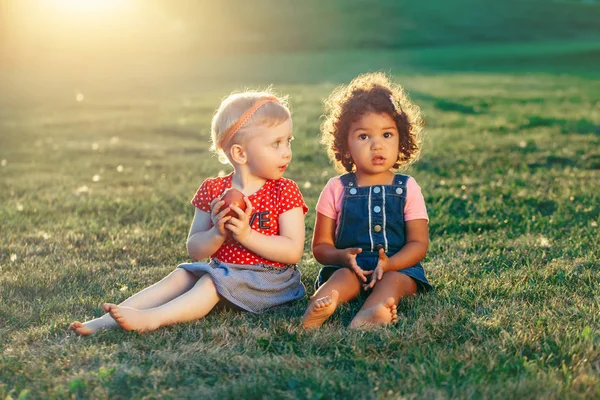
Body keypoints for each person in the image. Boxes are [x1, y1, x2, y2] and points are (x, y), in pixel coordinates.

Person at [70, 90, 308, 335]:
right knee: (181, 275)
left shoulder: (284, 190)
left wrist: (247, 236)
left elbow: (293, 252)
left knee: (209, 282)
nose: (287, 151)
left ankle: (152, 319)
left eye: (289, 140)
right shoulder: (213, 190)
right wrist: (216, 233)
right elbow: (195, 249)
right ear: (240, 153)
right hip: (224, 270)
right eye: (276, 143)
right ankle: (104, 321)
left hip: (270, 280)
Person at [302, 72, 432, 330]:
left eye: (387, 135)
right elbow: (320, 247)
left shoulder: (407, 188)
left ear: (401, 138)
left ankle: (372, 312)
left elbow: (419, 243)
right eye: (364, 136)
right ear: (345, 144)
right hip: (350, 269)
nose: (376, 145)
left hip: (398, 268)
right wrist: (341, 257)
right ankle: (320, 305)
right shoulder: (336, 188)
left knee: (393, 282)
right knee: (341, 279)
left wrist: (390, 263)